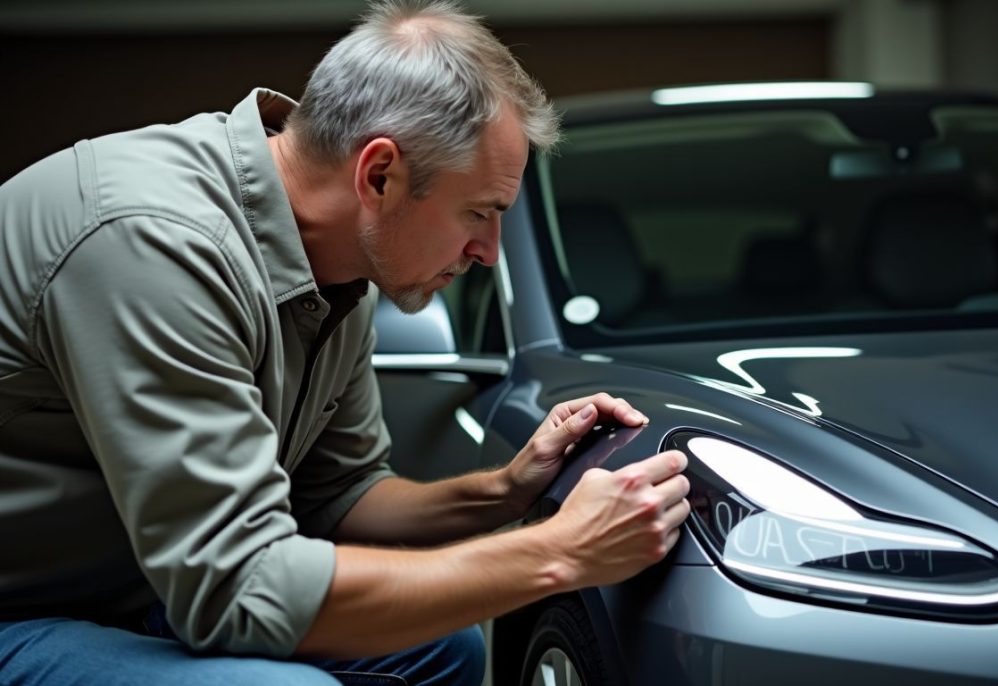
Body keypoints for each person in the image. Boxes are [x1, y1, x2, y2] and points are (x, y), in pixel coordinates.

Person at [0, 1, 691, 684]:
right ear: (380, 175)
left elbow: (337, 500)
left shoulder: (339, 260)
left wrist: (505, 493)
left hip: (140, 591)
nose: (487, 250)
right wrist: (561, 553)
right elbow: (239, 591)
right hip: (26, 613)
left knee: (446, 649)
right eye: (479, 212)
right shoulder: (154, 245)